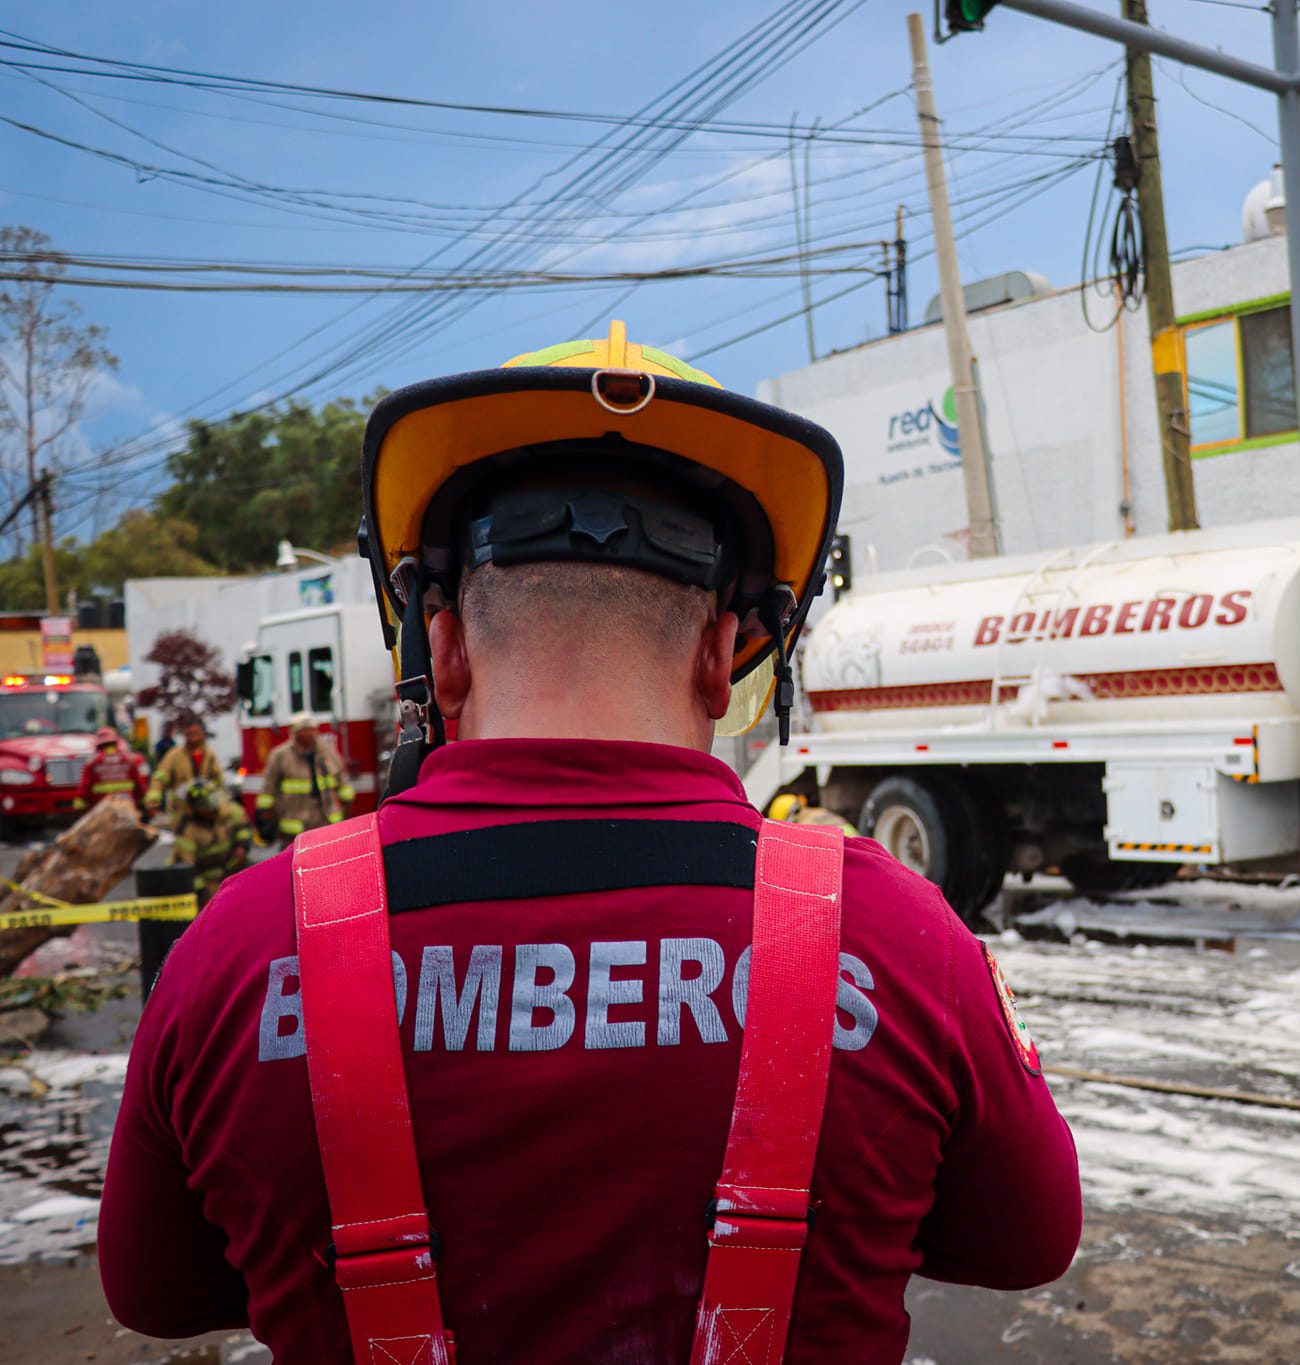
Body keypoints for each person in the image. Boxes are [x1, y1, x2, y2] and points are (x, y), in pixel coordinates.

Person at [100, 323, 1082, 1363]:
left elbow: (157, 1293)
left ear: (444, 647)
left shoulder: (243, 946)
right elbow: (1025, 1243)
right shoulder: (892, 935)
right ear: (720, 656)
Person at [254, 710, 348, 844]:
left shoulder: (327, 753)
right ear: (295, 733)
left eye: (311, 729)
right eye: (304, 730)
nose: (309, 734)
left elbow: (341, 781)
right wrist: (264, 811)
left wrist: (347, 802)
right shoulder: (281, 756)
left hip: (325, 821)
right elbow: (269, 786)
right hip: (294, 826)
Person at [170, 779, 252, 903]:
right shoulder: (187, 830)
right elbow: (187, 868)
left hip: (232, 868)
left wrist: (242, 846)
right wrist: (201, 892)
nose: (214, 809)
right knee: (219, 906)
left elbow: (243, 826)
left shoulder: (227, 809)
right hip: (207, 878)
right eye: (207, 806)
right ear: (195, 809)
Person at [145, 719, 224, 817]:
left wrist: (218, 802)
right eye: (190, 734)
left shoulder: (210, 755)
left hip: (206, 811)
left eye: (196, 733)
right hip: (181, 811)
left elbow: (219, 780)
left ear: (202, 734)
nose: (193, 738)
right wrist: (153, 801)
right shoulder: (174, 755)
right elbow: (160, 777)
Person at [85, 726, 143, 807]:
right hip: (126, 805)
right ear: (115, 742)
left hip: (101, 807)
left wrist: (82, 800)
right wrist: (142, 797)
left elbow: (85, 785)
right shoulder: (129, 759)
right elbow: (138, 783)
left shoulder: (92, 762)